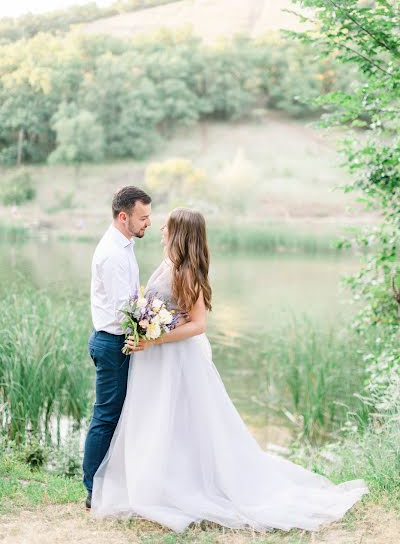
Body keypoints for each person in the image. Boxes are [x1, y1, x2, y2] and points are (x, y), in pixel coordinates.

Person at [91, 207, 368, 533]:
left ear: (179, 233)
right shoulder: (168, 264)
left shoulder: (188, 271)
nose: (161, 230)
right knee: (159, 422)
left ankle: (185, 488)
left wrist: (155, 338)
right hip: (156, 360)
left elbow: (198, 325)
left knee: (182, 424)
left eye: (166, 227)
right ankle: (158, 484)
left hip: (174, 359)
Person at [82, 186, 152, 510]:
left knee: (115, 414)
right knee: (106, 416)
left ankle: (110, 483)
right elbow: (124, 309)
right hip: (112, 344)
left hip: (118, 341)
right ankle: (92, 490)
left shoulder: (124, 246)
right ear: (124, 217)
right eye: (143, 217)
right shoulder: (112, 254)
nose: (148, 223)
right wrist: (152, 329)